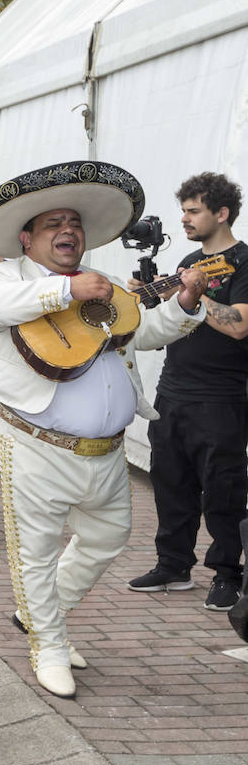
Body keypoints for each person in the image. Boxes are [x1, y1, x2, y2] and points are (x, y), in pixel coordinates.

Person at [0, 161, 207, 700]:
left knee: (109, 536)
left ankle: (39, 615)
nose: (67, 230)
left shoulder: (107, 286)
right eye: (52, 224)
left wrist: (184, 304)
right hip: (35, 444)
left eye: (72, 222)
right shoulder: (0, 277)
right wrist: (67, 292)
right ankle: (48, 645)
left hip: (106, 451)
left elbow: (140, 333)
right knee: (36, 550)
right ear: (27, 238)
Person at [129, 173, 248, 611]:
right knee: (170, 481)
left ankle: (227, 574)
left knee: (224, 488)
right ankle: (173, 565)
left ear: (222, 213)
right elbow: (166, 331)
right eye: (183, 210)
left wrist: (195, 296)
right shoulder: (188, 260)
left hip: (222, 396)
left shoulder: (243, 262)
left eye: (193, 210)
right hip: (173, 389)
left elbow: (241, 324)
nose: (184, 218)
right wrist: (150, 300)